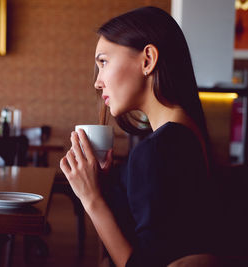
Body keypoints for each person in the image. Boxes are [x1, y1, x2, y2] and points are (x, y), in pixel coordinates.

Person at [60, 6, 220, 267]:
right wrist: (105, 186)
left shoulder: (157, 150)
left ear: (147, 60)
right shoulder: (188, 133)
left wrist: (91, 199)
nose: (97, 82)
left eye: (103, 62)